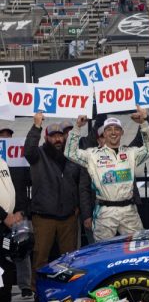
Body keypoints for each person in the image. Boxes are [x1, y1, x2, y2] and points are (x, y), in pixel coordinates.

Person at [65, 112, 149, 241]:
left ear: (122, 132)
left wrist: (143, 124)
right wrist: (77, 127)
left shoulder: (130, 153)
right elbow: (70, 152)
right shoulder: (93, 155)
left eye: (116, 129)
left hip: (129, 211)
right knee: (102, 251)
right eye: (109, 129)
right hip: (105, 212)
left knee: (136, 247)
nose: (113, 132)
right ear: (104, 134)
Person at [25, 116, 84, 290]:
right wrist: (36, 126)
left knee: (69, 258)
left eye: (60, 136)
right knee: (40, 257)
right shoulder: (38, 155)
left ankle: (68, 291)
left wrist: (77, 205)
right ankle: (38, 292)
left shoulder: (70, 155)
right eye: (53, 136)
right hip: (43, 217)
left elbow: (79, 183)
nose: (58, 139)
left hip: (68, 217)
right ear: (46, 137)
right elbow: (28, 150)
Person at [0, 127, 32, 298]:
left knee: (22, 248)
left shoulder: (20, 162)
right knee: (3, 255)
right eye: (2, 137)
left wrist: (24, 211)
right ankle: (4, 288)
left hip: (19, 214)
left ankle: (25, 285)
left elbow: (31, 186)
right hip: (2, 218)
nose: (6, 139)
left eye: (9, 137)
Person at [0, 156, 26, 302]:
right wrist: (4, 216)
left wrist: (17, 212)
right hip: (2, 221)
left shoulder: (2, 161)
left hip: (5, 226)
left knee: (6, 270)